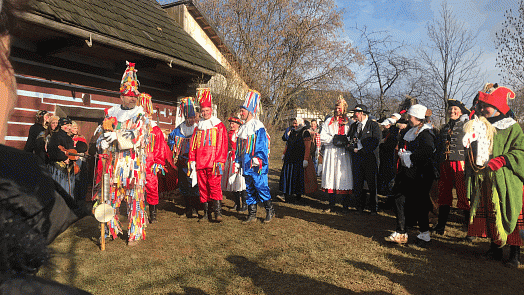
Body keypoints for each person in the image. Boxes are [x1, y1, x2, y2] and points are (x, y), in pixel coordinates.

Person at [0, 1, 91, 293]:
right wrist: (63, 153)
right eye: (6, 58)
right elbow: (48, 150)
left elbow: (75, 145)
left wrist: (73, 151)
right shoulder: (39, 133)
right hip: (48, 168)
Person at [465, 86, 524, 267]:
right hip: (486, 179)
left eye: (485, 106)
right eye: (480, 106)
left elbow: (521, 151)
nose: (482, 109)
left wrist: (503, 160)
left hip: (507, 180)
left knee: (510, 214)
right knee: (491, 213)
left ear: (497, 107)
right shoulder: (480, 125)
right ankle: (495, 248)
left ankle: (514, 252)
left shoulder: (512, 127)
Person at [95, 62, 150, 246]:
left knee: (135, 200)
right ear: (121, 96)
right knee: (110, 199)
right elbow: (102, 134)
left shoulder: (141, 115)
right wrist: (101, 141)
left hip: (133, 167)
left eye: (135, 95)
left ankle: (135, 233)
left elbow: (138, 137)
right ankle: (111, 229)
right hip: (113, 166)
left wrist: (117, 136)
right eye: (129, 95)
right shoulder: (111, 113)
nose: (133, 99)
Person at [385, 104, 437, 247]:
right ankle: (401, 231)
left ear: (417, 118)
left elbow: (426, 152)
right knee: (400, 199)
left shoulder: (426, 133)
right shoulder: (412, 130)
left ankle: (424, 234)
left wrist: (410, 157)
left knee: (419, 204)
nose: (408, 118)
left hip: (421, 174)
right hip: (408, 173)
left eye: (410, 116)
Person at [432, 99, 471, 240]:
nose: (452, 111)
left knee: (463, 195)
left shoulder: (467, 126)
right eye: (450, 109)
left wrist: (468, 166)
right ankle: (440, 226)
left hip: (460, 163)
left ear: (461, 112)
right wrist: (436, 165)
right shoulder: (444, 127)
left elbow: (470, 148)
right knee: (444, 195)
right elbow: (438, 149)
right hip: (444, 163)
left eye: (455, 109)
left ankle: (470, 230)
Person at [188, 88, 228, 222]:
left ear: (211, 110)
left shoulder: (219, 126)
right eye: (202, 111)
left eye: (207, 110)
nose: (205, 113)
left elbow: (222, 144)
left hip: (214, 162)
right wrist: (192, 160)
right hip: (200, 162)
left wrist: (220, 160)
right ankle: (206, 213)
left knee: (215, 186)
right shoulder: (197, 128)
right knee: (203, 187)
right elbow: (193, 146)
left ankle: (217, 212)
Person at [235, 89, 274, 223]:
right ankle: (252, 214)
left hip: (257, 164)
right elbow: (239, 147)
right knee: (249, 188)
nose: (240, 113)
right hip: (246, 163)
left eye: (242, 111)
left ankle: (270, 210)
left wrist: (258, 157)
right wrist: (237, 161)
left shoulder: (258, 126)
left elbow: (262, 144)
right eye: (240, 111)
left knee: (260, 186)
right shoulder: (242, 128)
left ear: (250, 112)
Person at [140, 93, 172, 224]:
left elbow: (160, 148)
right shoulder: (136, 129)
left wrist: (158, 163)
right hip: (137, 165)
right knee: (138, 191)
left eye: (148, 115)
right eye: (144, 114)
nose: (146, 117)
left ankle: (153, 214)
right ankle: (140, 215)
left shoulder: (156, 131)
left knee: (152, 189)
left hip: (151, 165)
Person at [320, 97, 353, 213]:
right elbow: (322, 136)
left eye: (339, 108)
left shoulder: (350, 122)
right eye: (336, 107)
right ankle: (331, 204)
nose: (337, 109)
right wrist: (334, 139)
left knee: (343, 176)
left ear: (344, 109)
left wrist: (345, 141)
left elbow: (353, 136)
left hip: (344, 153)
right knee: (331, 176)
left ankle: (345, 205)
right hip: (331, 151)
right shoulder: (329, 120)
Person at [168, 97, 199, 217]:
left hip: (193, 161)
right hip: (182, 161)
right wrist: (175, 147)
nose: (191, 120)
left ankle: (195, 209)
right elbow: (171, 140)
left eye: (192, 117)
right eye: (189, 118)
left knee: (194, 184)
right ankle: (188, 209)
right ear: (185, 118)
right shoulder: (179, 129)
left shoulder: (198, 129)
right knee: (184, 185)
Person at [348, 104, 381, 214]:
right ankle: (359, 207)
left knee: (372, 184)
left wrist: (363, 150)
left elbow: (376, 141)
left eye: (356, 113)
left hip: (369, 159)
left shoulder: (373, 125)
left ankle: (373, 208)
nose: (354, 115)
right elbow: (350, 140)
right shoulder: (354, 126)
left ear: (362, 113)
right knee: (358, 183)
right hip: (357, 159)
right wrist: (351, 147)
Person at [279, 117, 309, 203]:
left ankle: (298, 196)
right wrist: (284, 154)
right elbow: (288, 143)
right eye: (294, 123)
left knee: (297, 176)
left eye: (296, 123)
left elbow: (307, 147)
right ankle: (284, 194)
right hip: (289, 157)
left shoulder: (305, 132)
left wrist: (305, 159)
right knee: (286, 176)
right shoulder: (292, 132)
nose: (295, 125)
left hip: (298, 158)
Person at [221, 115, 248, 212]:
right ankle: (237, 203)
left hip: (239, 158)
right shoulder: (229, 133)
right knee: (232, 181)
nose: (231, 125)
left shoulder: (242, 133)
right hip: (231, 157)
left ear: (238, 124)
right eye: (230, 123)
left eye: (233, 123)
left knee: (241, 181)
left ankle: (244, 204)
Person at [47, 117, 77, 195]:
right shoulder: (55, 136)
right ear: (61, 126)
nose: (70, 127)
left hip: (68, 169)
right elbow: (52, 150)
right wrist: (63, 158)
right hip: (58, 169)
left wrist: (74, 156)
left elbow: (70, 151)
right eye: (68, 125)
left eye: (70, 125)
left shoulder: (69, 138)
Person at [378, 118, 398, 195]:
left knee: (387, 173)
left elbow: (390, 145)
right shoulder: (388, 133)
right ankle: (383, 188)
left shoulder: (393, 134)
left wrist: (382, 145)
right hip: (385, 156)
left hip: (389, 157)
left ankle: (386, 189)